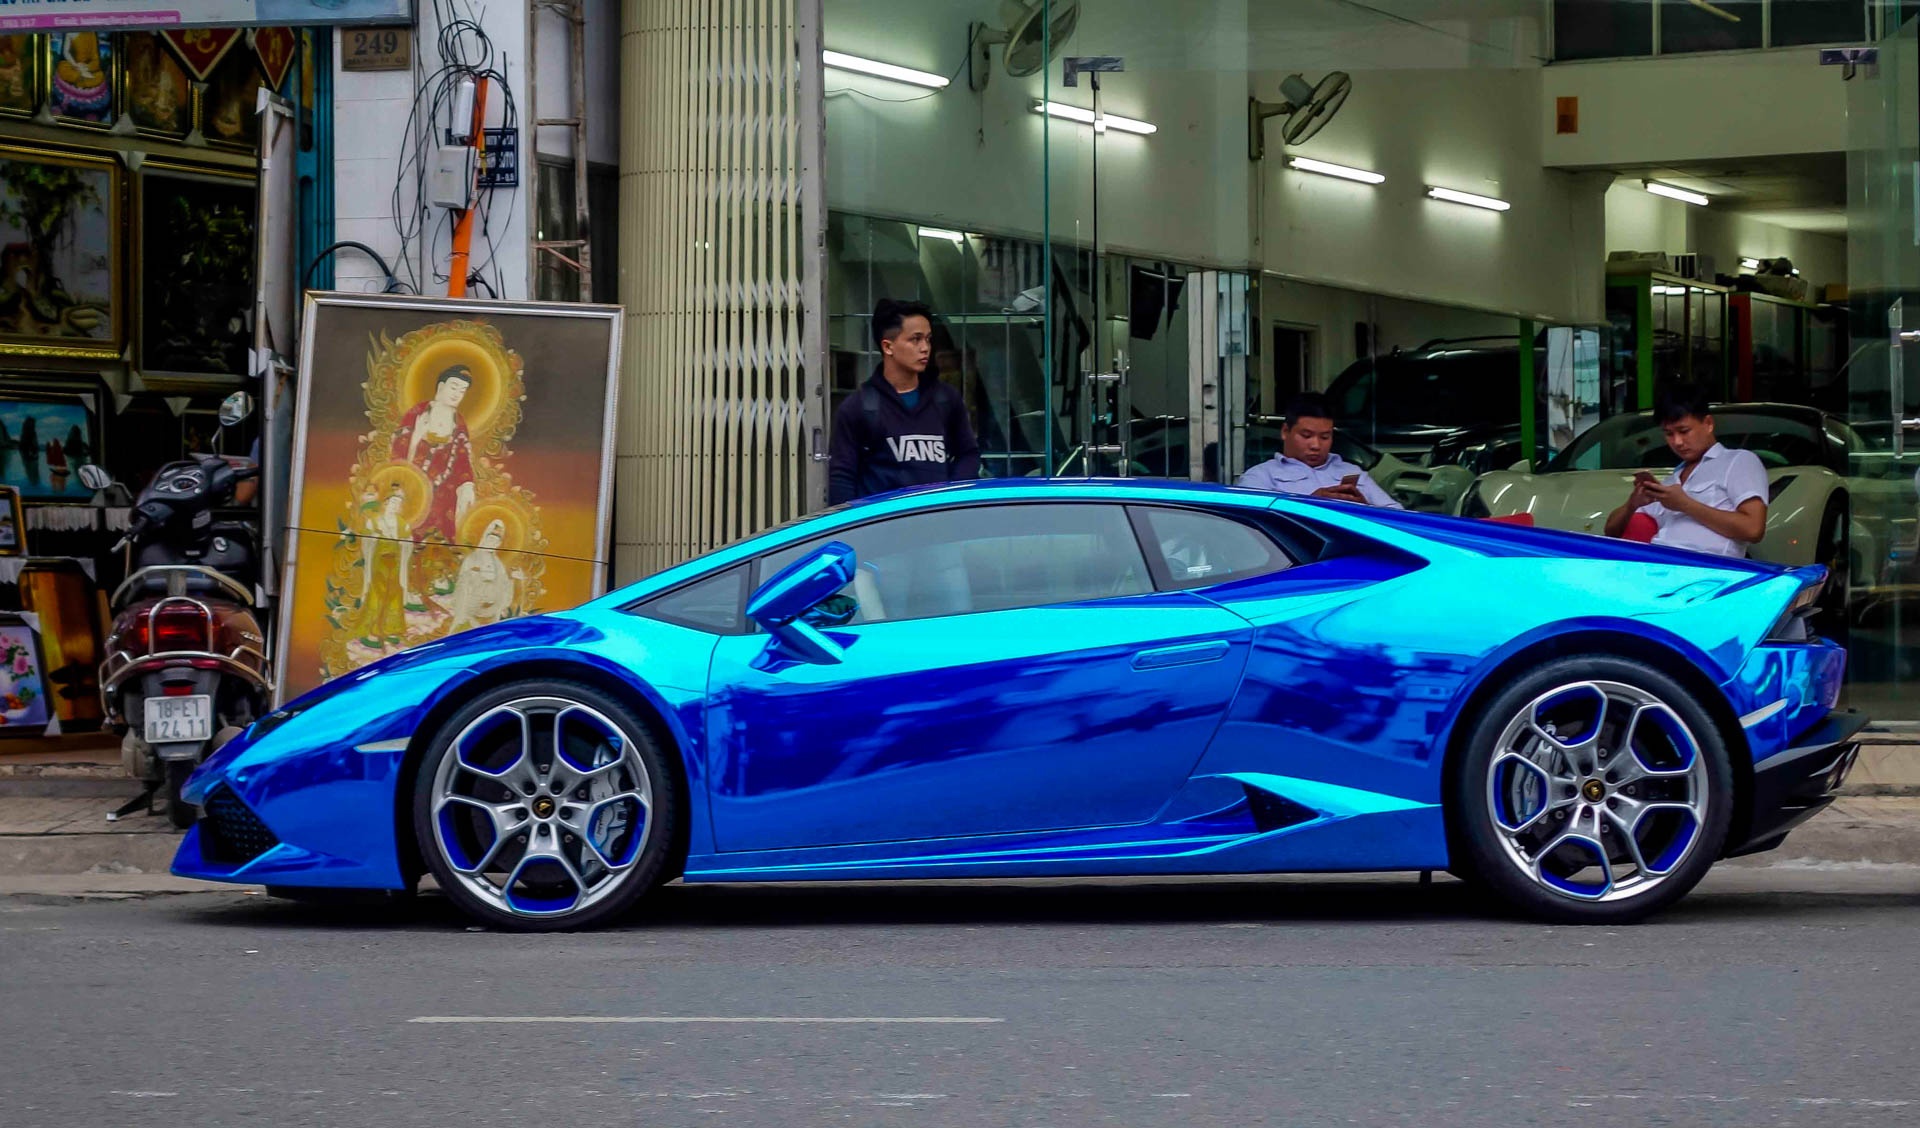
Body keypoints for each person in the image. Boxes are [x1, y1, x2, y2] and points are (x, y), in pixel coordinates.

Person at [828, 298, 981, 505]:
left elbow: (968, 454)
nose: (925, 348)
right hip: (883, 526)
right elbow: (842, 478)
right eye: (915, 339)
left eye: (928, 339)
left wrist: (950, 497)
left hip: (939, 523)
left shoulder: (946, 399)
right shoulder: (859, 407)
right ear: (888, 347)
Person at [1604, 385, 1768, 558]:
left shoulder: (1737, 461)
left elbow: (1753, 529)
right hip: (1658, 564)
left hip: (1707, 570)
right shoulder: (1670, 482)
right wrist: (1632, 504)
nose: (1677, 442)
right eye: (1668, 434)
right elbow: (1610, 532)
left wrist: (1685, 504)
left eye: (1684, 431)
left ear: (1708, 424)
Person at [1235, 392, 1403, 508]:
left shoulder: (1352, 472)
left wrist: (1365, 508)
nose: (1316, 445)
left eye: (1324, 437)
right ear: (1285, 431)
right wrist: (1311, 504)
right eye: (1306, 436)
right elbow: (1254, 527)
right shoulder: (1261, 477)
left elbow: (1399, 516)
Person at [390, 365, 478, 543]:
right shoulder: (419, 412)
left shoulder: (458, 422)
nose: (457, 394)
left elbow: (462, 460)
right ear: (440, 386)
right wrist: (416, 438)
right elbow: (398, 452)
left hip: (445, 493)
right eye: (453, 387)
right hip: (414, 486)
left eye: (462, 391)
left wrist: (467, 485)